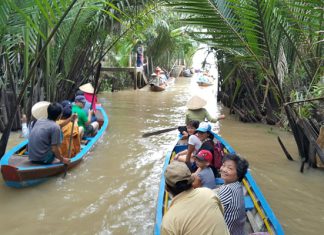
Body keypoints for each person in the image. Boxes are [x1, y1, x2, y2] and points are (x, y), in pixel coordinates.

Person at [161, 161, 229, 235]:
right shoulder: (208, 193)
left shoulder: (169, 221)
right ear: (192, 181)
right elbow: (221, 212)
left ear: (167, 188)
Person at [214, 154, 249, 235]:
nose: (224, 169)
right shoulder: (237, 186)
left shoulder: (228, 189)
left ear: (238, 174)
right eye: (223, 165)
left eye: (229, 168)